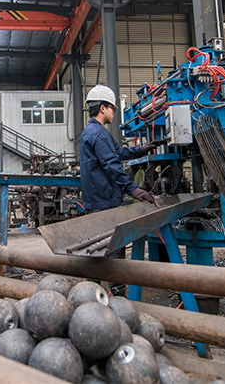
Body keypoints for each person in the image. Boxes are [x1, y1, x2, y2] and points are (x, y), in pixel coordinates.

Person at [80, 84, 158, 296]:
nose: (115, 113)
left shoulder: (94, 133)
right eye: (113, 108)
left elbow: (118, 153)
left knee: (96, 250)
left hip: (97, 200)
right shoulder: (98, 135)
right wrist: (134, 190)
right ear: (103, 108)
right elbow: (113, 167)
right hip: (103, 203)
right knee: (113, 251)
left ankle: (92, 294)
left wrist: (140, 150)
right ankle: (118, 295)